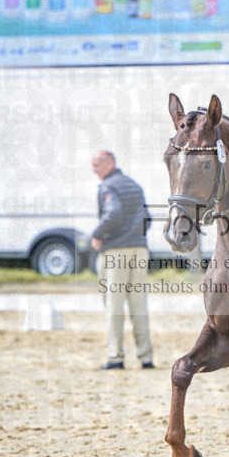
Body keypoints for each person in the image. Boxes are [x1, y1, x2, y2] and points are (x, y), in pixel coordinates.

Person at [91, 150, 155, 370]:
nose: (94, 169)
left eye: (97, 164)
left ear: (110, 163)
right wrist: (135, 236)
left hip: (115, 252)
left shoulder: (107, 187)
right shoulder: (134, 185)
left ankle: (115, 356)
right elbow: (148, 218)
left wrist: (98, 235)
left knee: (114, 306)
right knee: (139, 305)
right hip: (139, 250)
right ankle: (146, 357)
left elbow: (113, 213)